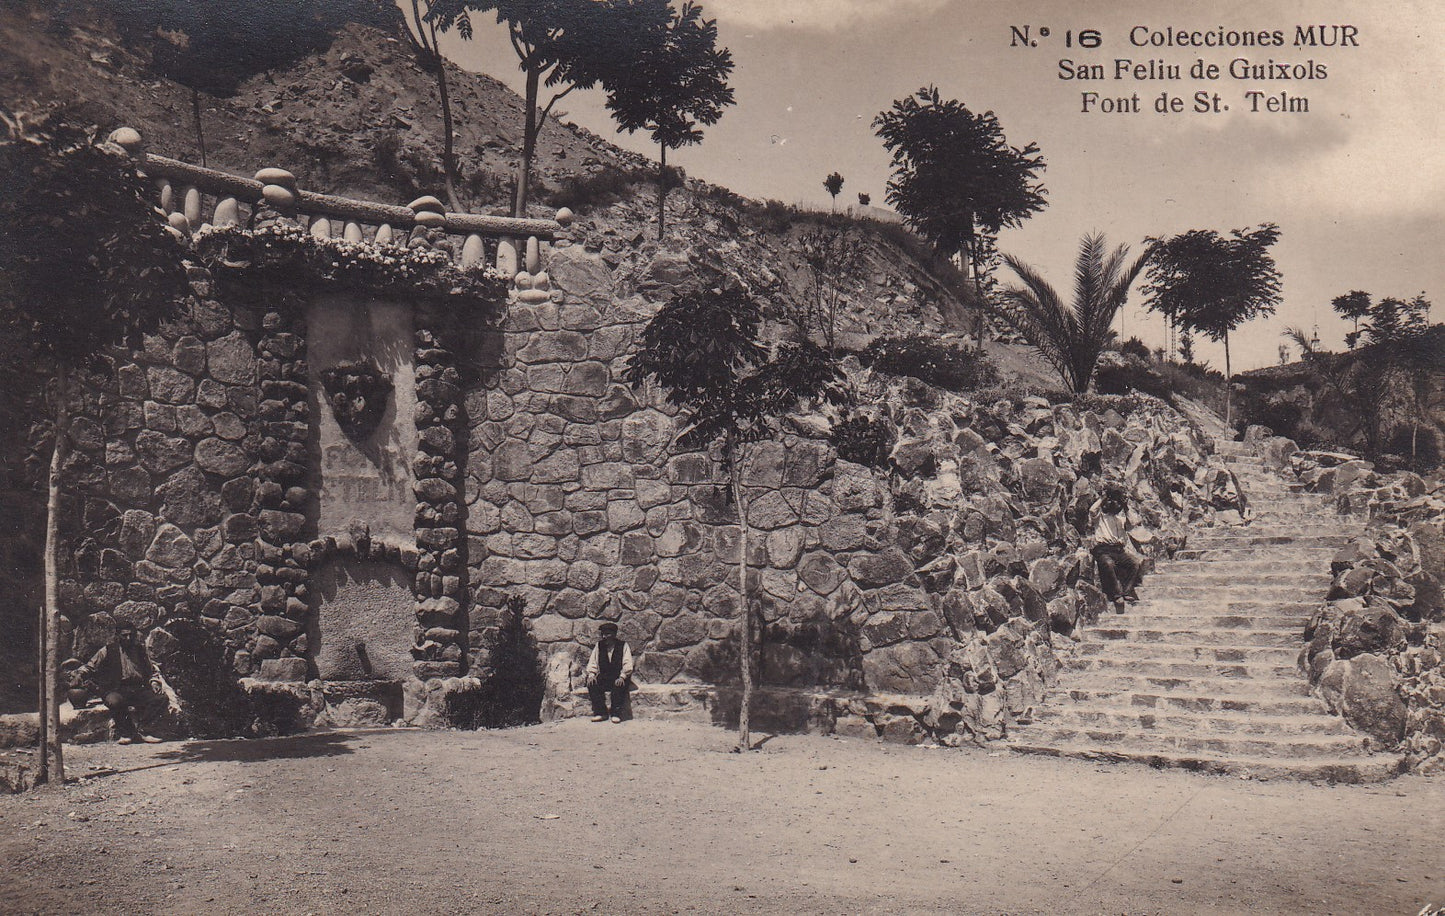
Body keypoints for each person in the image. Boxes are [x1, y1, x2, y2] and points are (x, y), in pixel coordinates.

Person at [71, 623, 165, 744]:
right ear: (118, 636)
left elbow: (151, 670)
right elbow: (90, 666)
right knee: (114, 701)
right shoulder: (108, 650)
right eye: (124, 635)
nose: (128, 638)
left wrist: (154, 682)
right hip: (116, 688)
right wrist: (79, 675)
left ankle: (145, 731)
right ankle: (126, 733)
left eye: (131, 635)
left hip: (138, 688)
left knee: (160, 698)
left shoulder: (140, 650)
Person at [1089, 486, 1141, 614]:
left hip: (1119, 551)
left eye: (1116, 503)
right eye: (1111, 502)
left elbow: (1134, 523)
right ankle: (1117, 595)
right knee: (1108, 564)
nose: (1114, 505)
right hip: (1103, 550)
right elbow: (1092, 510)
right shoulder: (1100, 517)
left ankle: (1127, 591)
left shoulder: (1121, 519)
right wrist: (1103, 498)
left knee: (1134, 563)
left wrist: (1125, 505)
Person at [585, 622, 633, 724]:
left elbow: (628, 664)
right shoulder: (599, 645)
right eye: (603, 634)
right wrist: (591, 674)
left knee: (619, 685)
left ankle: (615, 714)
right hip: (605, 677)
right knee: (592, 683)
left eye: (607, 634)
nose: (604, 637)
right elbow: (593, 662)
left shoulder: (623, 646)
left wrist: (622, 676)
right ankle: (601, 713)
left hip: (619, 676)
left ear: (614, 634)